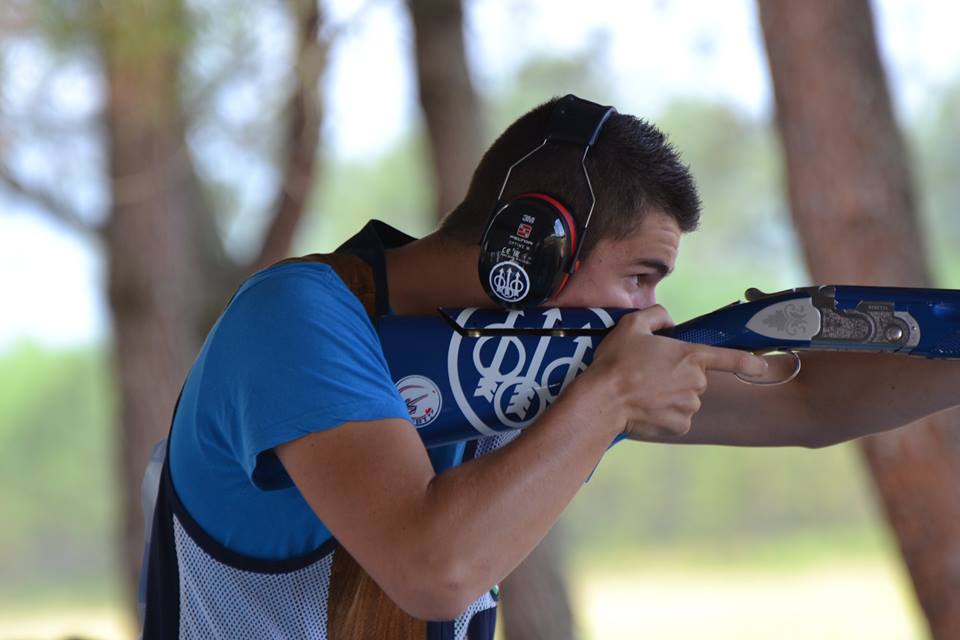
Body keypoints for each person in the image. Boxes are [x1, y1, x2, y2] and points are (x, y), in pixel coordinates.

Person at [140, 95, 960, 639]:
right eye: (640, 275)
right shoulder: (296, 317)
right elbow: (434, 570)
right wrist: (608, 397)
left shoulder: (556, 369)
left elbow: (807, 405)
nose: (648, 316)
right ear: (536, 243)